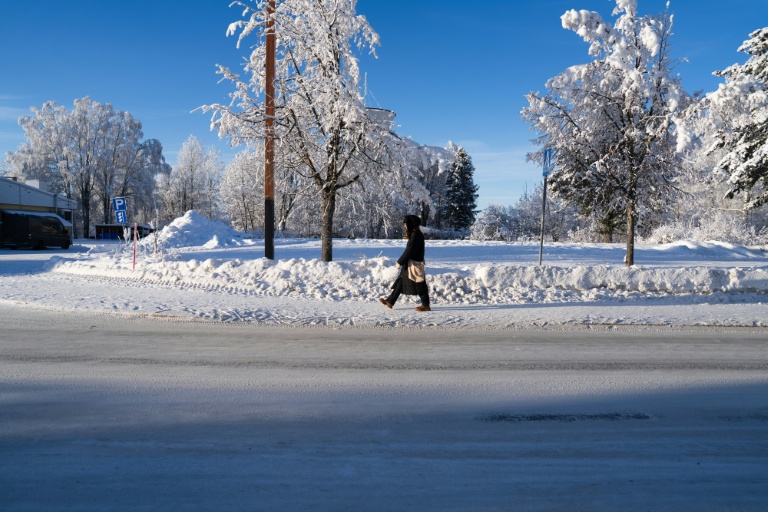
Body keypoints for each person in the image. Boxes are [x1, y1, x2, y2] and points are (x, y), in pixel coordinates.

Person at [379, 214, 431, 312]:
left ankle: (426, 305)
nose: (404, 225)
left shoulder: (416, 235)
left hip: (415, 264)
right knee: (401, 281)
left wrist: (400, 262)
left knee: (420, 284)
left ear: (411, 224)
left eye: (406, 223)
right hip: (411, 263)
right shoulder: (414, 233)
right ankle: (390, 301)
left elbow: (410, 251)